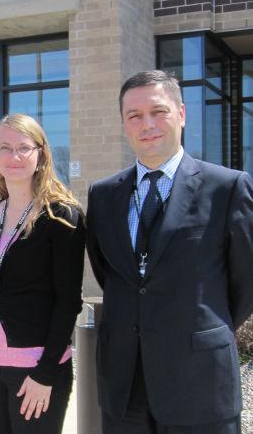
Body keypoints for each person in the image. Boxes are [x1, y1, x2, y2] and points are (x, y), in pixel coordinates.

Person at [86, 70, 253, 433]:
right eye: (134, 115)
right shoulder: (103, 195)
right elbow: (110, 274)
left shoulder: (227, 188)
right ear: (124, 123)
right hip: (124, 385)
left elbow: (245, 282)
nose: (147, 124)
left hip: (199, 381)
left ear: (182, 113)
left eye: (158, 111)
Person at [0, 113, 85, 434]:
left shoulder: (62, 216)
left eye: (24, 148)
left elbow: (68, 302)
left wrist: (45, 374)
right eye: (6, 148)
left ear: (41, 154)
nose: (14, 156)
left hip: (34, 369)